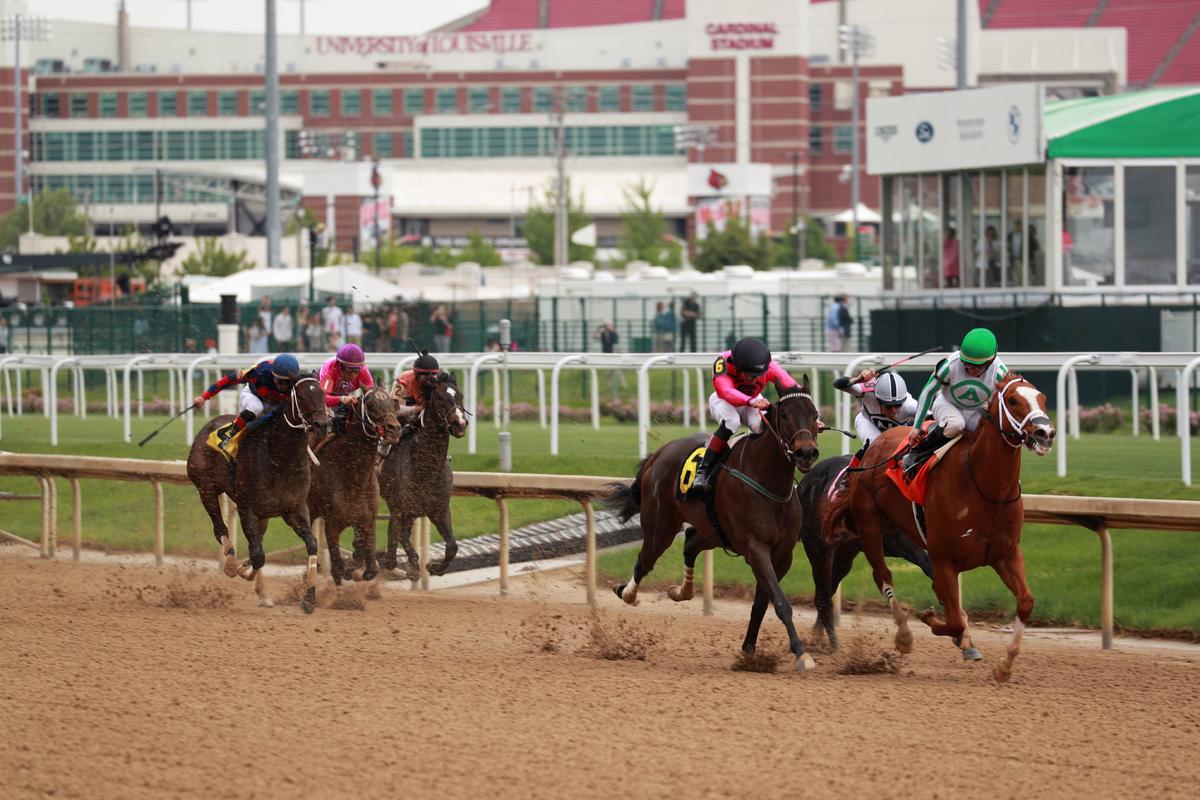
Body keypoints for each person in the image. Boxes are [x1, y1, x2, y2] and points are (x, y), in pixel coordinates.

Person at [690, 337, 799, 494]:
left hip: (752, 401)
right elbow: (725, 391)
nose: (755, 379)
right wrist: (750, 401)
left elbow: (793, 387)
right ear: (738, 368)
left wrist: (814, 419)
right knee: (732, 422)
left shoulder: (769, 366)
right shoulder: (724, 363)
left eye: (758, 375)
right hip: (723, 401)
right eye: (750, 375)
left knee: (761, 428)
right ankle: (703, 471)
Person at [903, 327, 1008, 478]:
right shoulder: (949, 364)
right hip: (946, 403)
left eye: (976, 366)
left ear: (991, 361)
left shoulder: (1001, 373)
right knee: (956, 425)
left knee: (990, 434)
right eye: (966, 364)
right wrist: (916, 427)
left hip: (976, 410)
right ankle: (916, 453)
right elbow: (928, 391)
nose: (970, 369)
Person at [832, 369, 918, 492]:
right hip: (868, 422)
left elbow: (932, 417)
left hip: (896, 432)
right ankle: (847, 478)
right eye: (888, 406)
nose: (893, 410)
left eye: (898, 405)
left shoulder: (910, 406)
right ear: (877, 398)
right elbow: (837, 384)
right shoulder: (867, 393)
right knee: (875, 445)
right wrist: (857, 379)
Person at [192, 353, 302, 449]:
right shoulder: (259, 372)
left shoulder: (297, 382)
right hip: (252, 395)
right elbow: (229, 380)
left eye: (287, 383)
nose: (284, 386)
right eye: (280, 382)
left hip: (275, 404)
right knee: (257, 408)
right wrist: (204, 397)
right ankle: (230, 436)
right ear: (272, 375)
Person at [319, 343, 375, 436]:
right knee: (324, 423)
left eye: (356, 371)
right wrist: (342, 399)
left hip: (342, 395)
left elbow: (371, 397)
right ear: (340, 366)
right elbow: (323, 399)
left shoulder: (363, 372)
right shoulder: (330, 369)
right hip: (323, 393)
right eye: (349, 371)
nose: (353, 375)